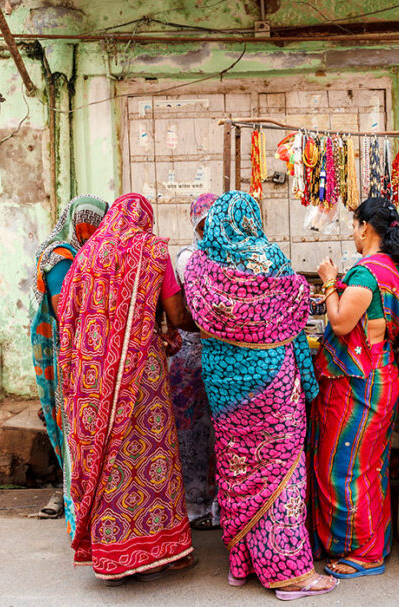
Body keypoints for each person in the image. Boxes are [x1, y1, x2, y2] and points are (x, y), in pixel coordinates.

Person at [182, 191, 337, 600]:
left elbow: (194, 316)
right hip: (271, 384)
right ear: (253, 218)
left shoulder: (199, 264)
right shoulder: (268, 258)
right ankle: (290, 573)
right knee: (279, 473)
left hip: (223, 386)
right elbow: (297, 307)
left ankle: (241, 564)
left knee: (236, 468)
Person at [57, 193, 195, 585]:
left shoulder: (87, 255)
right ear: (144, 219)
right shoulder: (152, 251)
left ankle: (111, 558)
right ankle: (161, 554)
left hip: (92, 374)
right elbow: (176, 314)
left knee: (105, 457)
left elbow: (70, 316)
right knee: (151, 456)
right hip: (141, 371)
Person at [311, 197, 399, 579]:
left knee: (342, 467)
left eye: (354, 227)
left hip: (359, 383)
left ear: (366, 228)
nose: (353, 234)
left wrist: (329, 281)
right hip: (378, 376)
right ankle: (370, 542)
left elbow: (339, 322)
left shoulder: (368, 272)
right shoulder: (391, 270)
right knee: (369, 466)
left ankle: (363, 552)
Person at [29, 194, 108, 537]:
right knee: (71, 426)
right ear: (76, 222)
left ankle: (80, 498)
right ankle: (75, 502)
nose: (94, 230)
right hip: (65, 353)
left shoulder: (78, 254)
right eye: (89, 223)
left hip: (78, 351)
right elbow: (66, 313)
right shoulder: (60, 257)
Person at [170, 193, 220, 530]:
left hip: (218, 359)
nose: (209, 229)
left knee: (218, 434)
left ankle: (218, 504)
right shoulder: (189, 257)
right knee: (190, 436)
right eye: (203, 224)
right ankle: (194, 505)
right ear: (194, 225)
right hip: (190, 357)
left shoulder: (227, 255)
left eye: (214, 222)